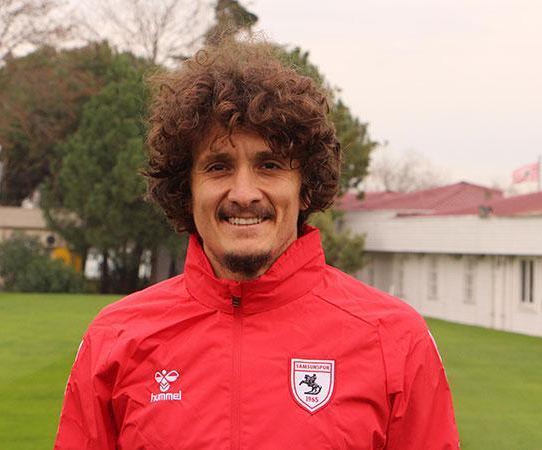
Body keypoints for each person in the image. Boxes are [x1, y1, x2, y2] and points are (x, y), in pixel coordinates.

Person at [54, 41, 459, 449]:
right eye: (218, 167)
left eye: (269, 165)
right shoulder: (116, 339)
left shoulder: (394, 339)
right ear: (186, 189)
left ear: (304, 187)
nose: (244, 193)